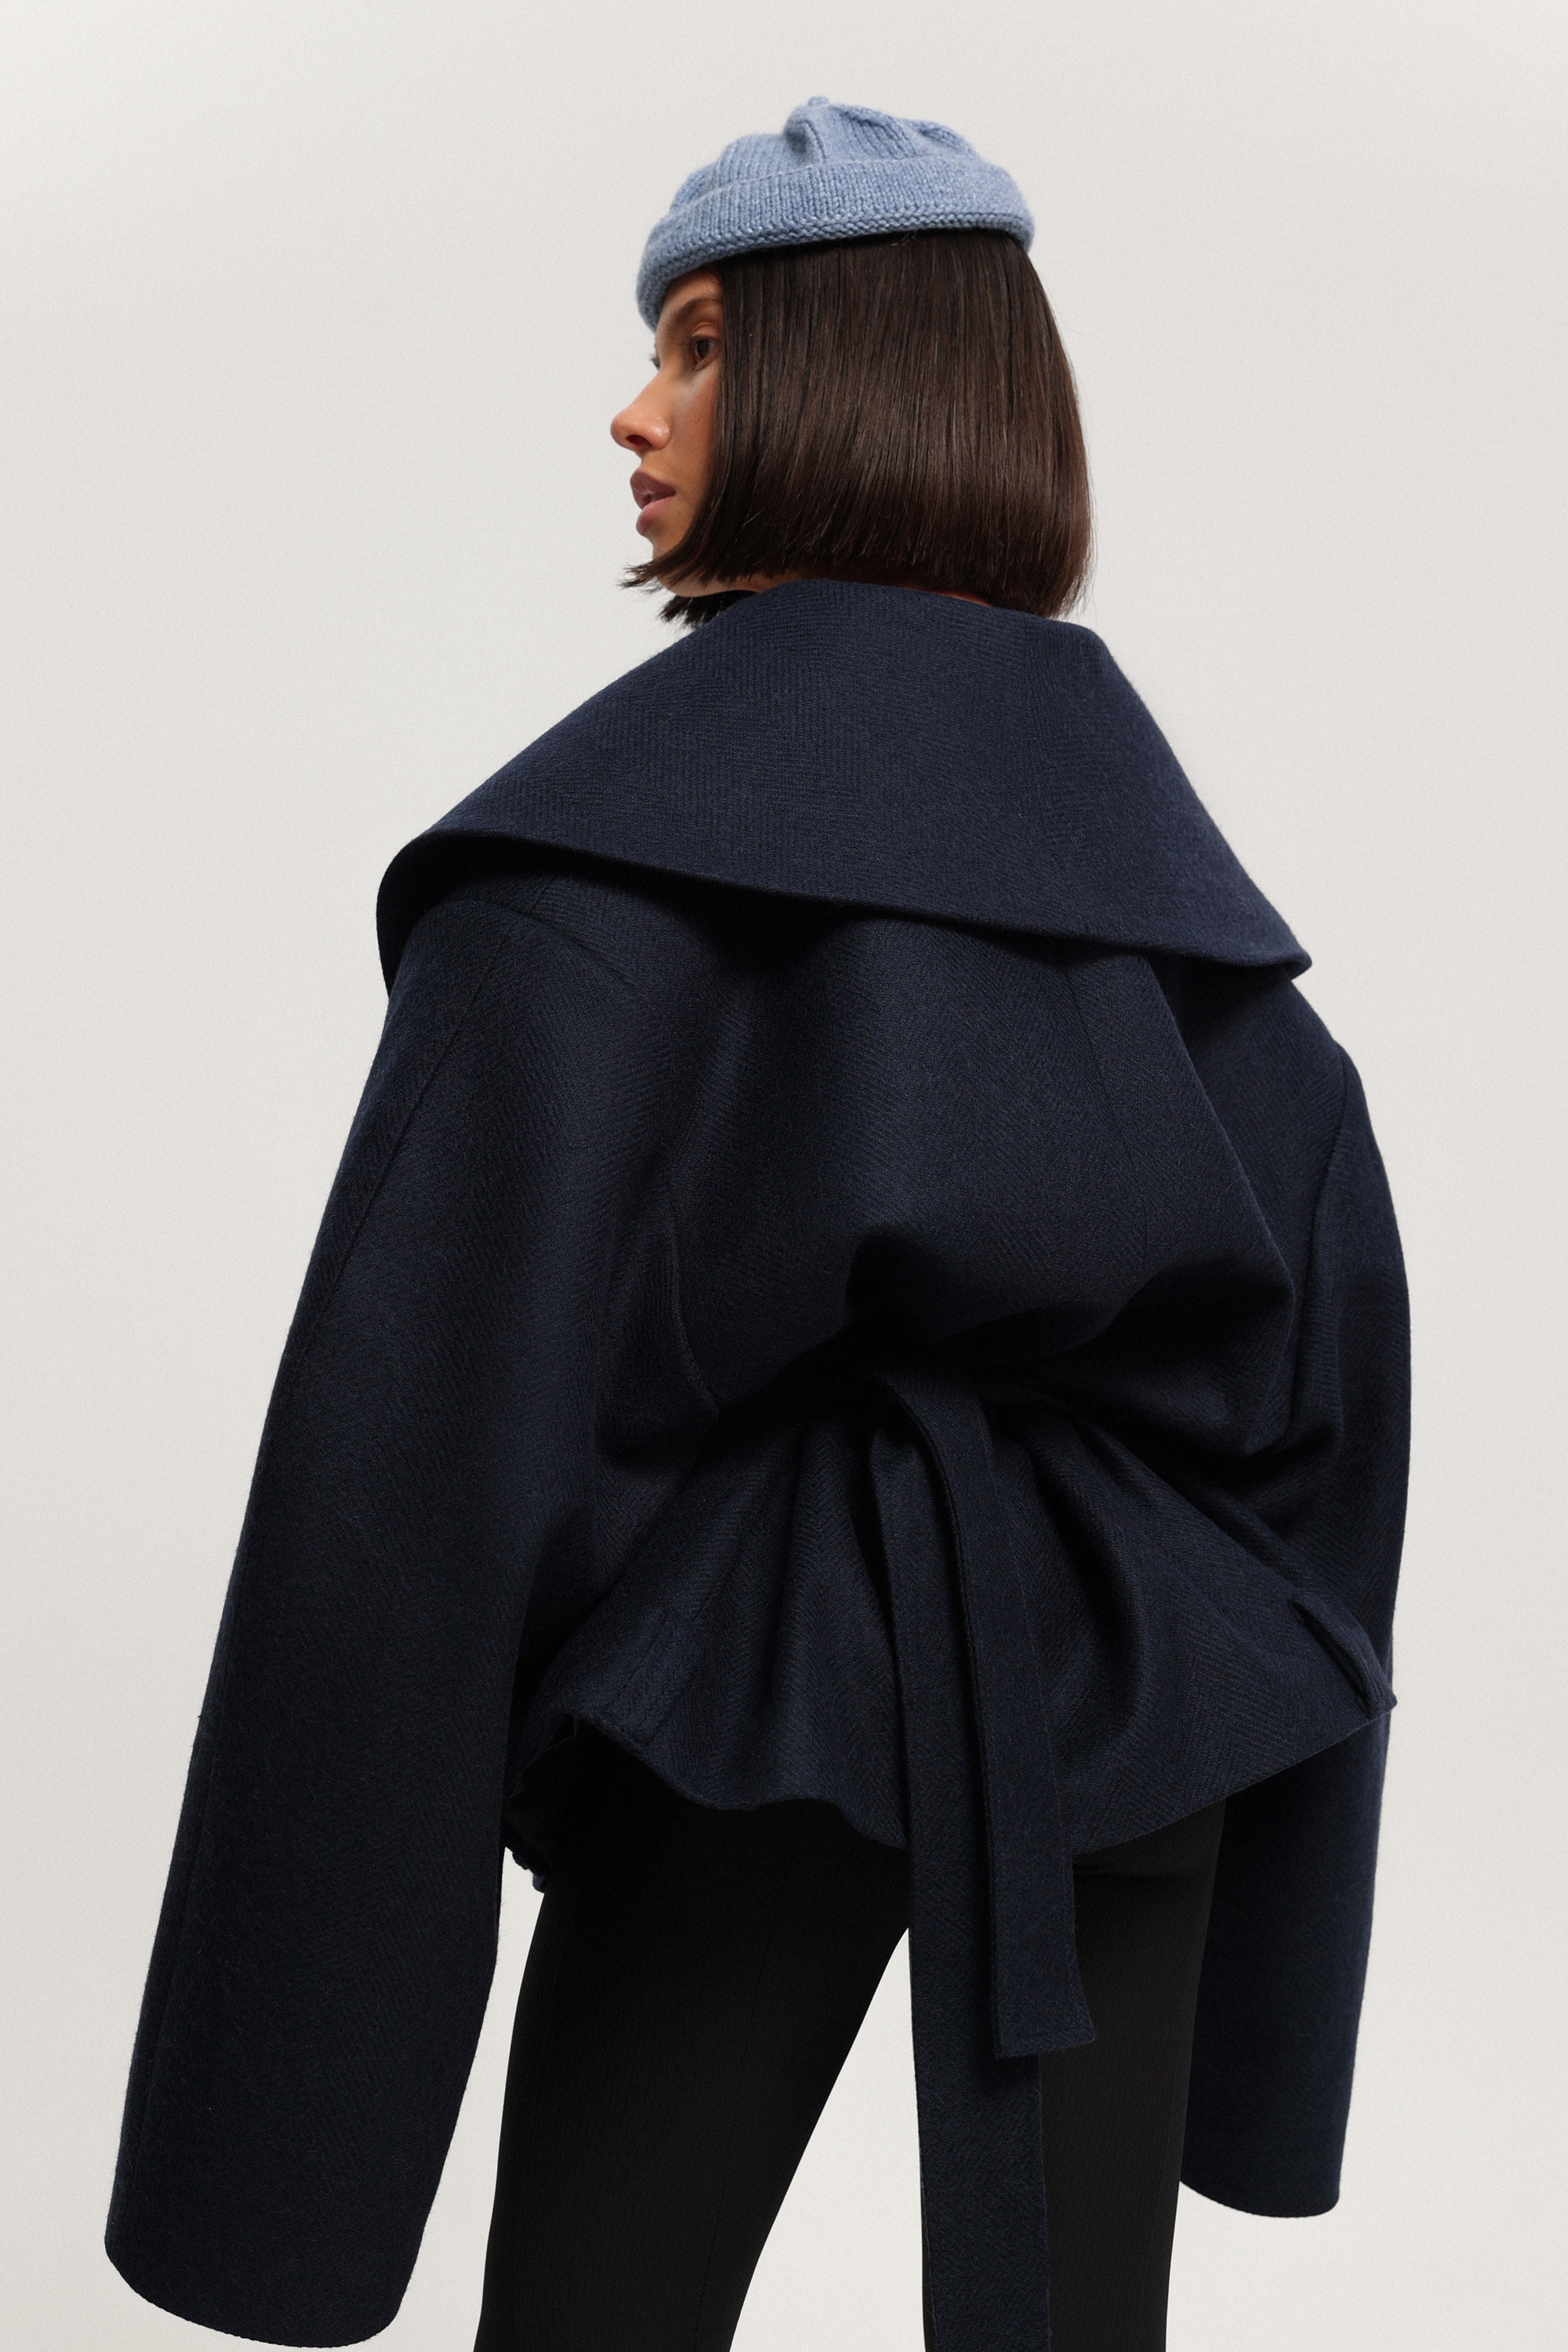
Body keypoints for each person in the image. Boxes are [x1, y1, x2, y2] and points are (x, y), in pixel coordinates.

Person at [105, 99, 1409, 2352]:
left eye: (700, 347)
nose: (634, 410)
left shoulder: (594, 889)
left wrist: (275, 2171)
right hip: (1144, 1690)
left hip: (751, 1715)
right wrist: (1278, 2039)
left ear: (855, 376)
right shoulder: (1197, 926)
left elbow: (406, 1494)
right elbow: (1330, 1427)